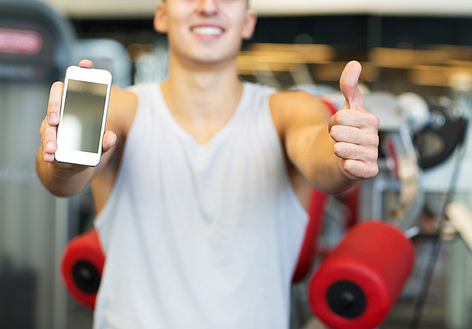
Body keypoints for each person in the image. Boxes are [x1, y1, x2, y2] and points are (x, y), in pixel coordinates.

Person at [37, 0, 379, 327]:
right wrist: (63, 161)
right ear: (161, 16)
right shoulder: (122, 108)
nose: (208, 5)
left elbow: (319, 155)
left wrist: (344, 152)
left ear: (248, 22)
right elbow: (61, 181)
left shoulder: (290, 111)